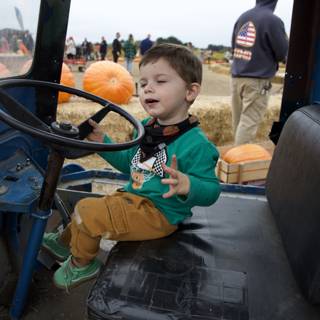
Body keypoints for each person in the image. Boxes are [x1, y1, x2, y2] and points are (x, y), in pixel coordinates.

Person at [42, 43, 221, 290]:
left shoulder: (196, 144)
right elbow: (130, 165)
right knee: (92, 208)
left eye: (160, 81)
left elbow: (212, 190)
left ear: (190, 92)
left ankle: (82, 263)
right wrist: (103, 142)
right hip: (133, 197)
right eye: (144, 82)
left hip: (158, 213)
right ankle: (64, 243)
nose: (147, 87)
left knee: (87, 211)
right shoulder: (149, 128)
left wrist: (188, 184)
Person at [231, 0, 288, 145]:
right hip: (257, 79)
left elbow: (234, 46)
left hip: (237, 76)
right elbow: (282, 53)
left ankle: (232, 159)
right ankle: (239, 160)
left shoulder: (243, 17)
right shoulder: (273, 21)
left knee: (238, 121)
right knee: (248, 122)